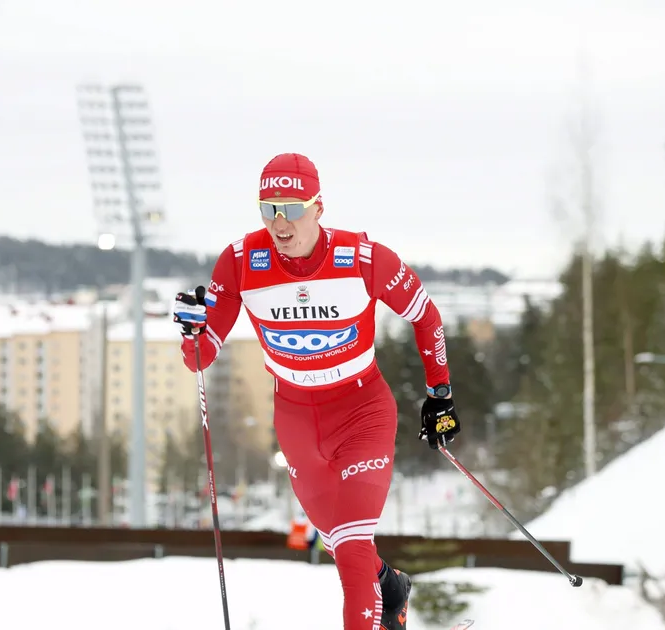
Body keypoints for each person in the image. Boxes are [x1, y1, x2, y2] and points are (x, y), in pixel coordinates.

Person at [172, 153, 461, 630]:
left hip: (362, 410)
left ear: (319, 207)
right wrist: (192, 330)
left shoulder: (364, 258)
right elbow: (200, 357)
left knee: (350, 551)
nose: (279, 222)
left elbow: (425, 315)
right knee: (339, 543)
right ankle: (389, 587)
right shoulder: (242, 261)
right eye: (268, 208)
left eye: (291, 207)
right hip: (296, 421)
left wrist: (440, 395)